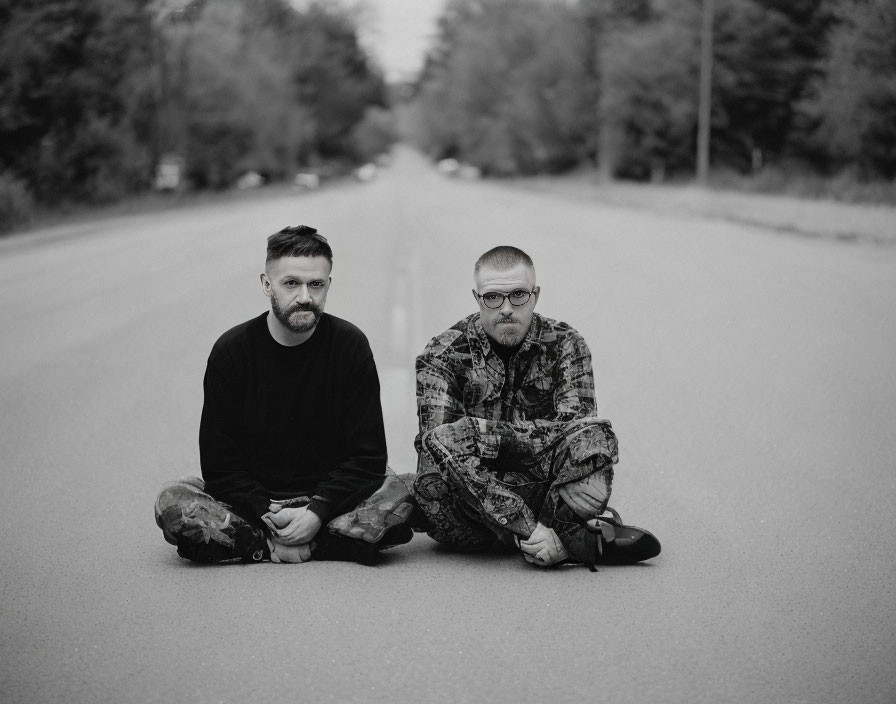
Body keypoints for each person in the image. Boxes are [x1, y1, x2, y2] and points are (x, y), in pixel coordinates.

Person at [155, 225, 414, 565]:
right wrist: (263, 511)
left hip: (333, 501)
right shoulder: (231, 351)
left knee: (407, 490)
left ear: (328, 285)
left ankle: (261, 545)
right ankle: (309, 543)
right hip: (254, 504)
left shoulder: (350, 345)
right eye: (291, 283)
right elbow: (220, 463)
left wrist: (317, 512)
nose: (305, 296)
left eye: (316, 284)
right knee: (172, 501)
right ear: (267, 284)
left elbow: (367, 458)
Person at [410, 245, 660, 570]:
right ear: (477, 297)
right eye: (492, 297)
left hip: (546, 495)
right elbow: (435, 452)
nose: (506, 308)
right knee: (435, 463)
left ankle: (559, 539)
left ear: (535, 295)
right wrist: (527, 522)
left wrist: (486, 437)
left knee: (594, 435)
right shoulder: (442, 354)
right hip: (470, 512)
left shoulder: (567, 343)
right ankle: (570, 540)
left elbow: (577, 433)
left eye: (518, 295)